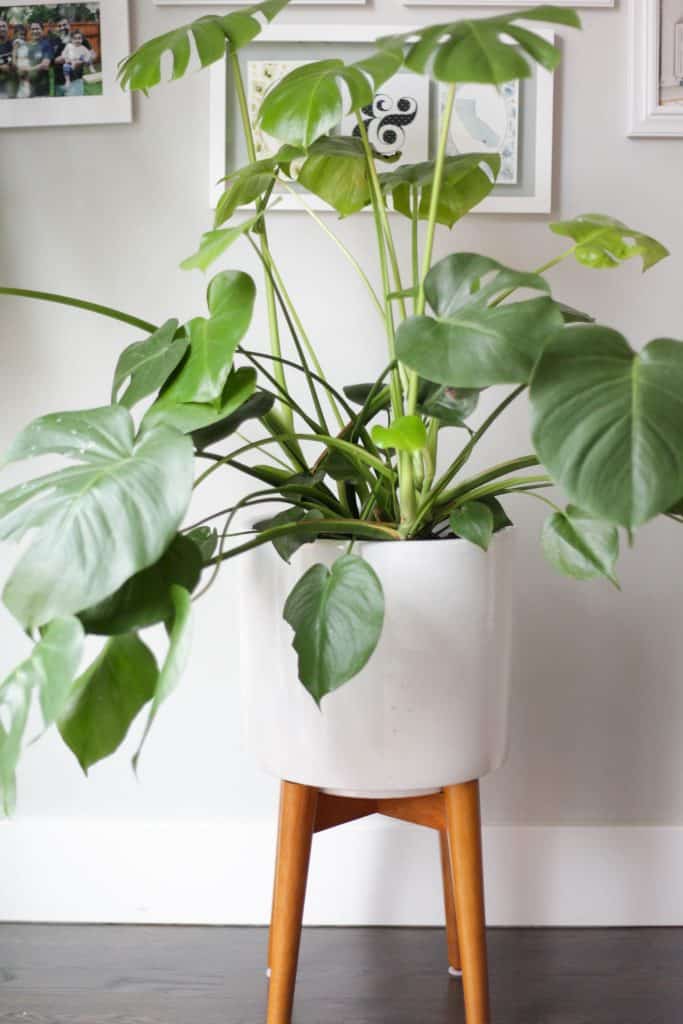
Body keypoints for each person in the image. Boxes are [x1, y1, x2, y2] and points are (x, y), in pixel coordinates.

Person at [59, 30, 95, 95]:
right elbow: (64, 53)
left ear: (82, 39)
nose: (77, 40)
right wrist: (66, 58)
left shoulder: (83, 47)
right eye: (75, 38)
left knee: (88, 57)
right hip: (70, 61)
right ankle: (67, 80)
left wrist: (84, 60)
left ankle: (91, 67)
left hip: (80, 59)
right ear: (71, 39)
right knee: (65, 66)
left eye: (79, 38)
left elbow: (89, 54)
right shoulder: (69, 46)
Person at [25, 22, 52, 97]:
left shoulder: (46, 44)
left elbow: (45, 65)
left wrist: (28, 69)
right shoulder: (27, 46)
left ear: (42, 30)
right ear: (29, 31)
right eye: (32, 29)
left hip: (42, 88)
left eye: (37, 29)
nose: (35, 31)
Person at [0, 19, 16, 99]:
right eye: (0, 27)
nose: (1, 29)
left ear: (8, 29)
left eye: (3, 26)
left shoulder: (14, 44)